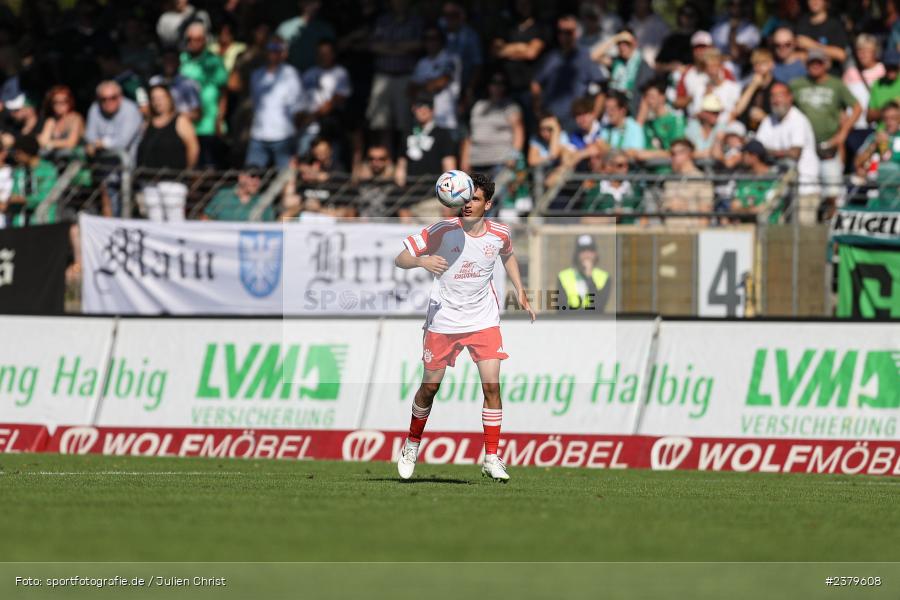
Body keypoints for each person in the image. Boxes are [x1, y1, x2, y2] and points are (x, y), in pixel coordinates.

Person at [393, 172, 535, 482]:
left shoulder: (500, 233)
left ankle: (492, 457)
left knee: (492, 386)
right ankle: (411, 444)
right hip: (443, 321)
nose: (467, 204)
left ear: (488, 204)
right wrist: (422, 262)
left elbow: (508, 254)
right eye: (466, 198)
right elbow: (400, 258)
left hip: (483, 320)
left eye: (474, 199)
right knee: (430, 388)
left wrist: (520, 290)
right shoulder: (442, 230)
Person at [790, 49, 861, 215]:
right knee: (807, 191)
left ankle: (831, 227)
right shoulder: (797, 84)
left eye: (818, 62)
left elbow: (857, 107)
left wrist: (843, 133)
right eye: (811, 63)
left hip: (828, 145)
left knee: (832, 191)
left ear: (825, 64)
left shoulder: (836, 84)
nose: (815, 66)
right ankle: (810, 228)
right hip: (804, 148)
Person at [755, 82, 820, 223]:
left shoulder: (798, 120)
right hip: (780, 189)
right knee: (781, 237)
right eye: (773, 96)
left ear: (790, 98)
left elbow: (795, 153)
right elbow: (757, 148)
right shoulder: (768, 120)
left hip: (804, 188)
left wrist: (769, 152)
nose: (776, 100)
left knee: (804, 235)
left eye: (781, 95)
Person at [136, 85, 199, 222]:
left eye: (161, 97)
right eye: (154, 98)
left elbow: (193, 148)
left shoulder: (181, 121)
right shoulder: (147, 124)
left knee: (175, 221)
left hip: (173, 182)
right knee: (154, 221)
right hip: (150, 182)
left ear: (169, 99)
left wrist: (187, 170)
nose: (158, 102)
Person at [531, 15, 603, 132]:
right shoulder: (551, 57)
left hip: (576, 123)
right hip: (551, 122)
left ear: (576, 33)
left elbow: (602, 88)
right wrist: (538, 111)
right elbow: (535, 83)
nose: (563, 36)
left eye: (568, 32)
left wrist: (594, 116)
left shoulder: (584, 56)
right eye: (560, 32)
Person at [366, 0, 423, 148]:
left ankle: (401, 157)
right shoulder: (382, 21)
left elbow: (418, 44)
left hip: (405, 76)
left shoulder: (415, 21)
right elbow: (373, 45)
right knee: (381, 123)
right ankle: (387, 155)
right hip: (383, 75)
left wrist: (390, 46)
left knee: (403, 121)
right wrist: (401, 47)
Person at [84, 81, 144, 216]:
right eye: (103, 99)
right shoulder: (95, 109)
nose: (108, 102)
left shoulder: (131, 110)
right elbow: (90, 136)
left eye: (113, 98)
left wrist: (101, 144)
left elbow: (123, 141)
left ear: (120, 96)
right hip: (104, 175)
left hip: (129, 174)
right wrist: (96, 144)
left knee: (128, 214)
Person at [246, 36, 303, 169]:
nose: (273, 53)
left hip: (283, 136)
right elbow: (255, 103)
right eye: (270, 49)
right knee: (250, 177)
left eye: (278, 49)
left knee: (285, 179)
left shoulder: (291, 74)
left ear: (284, 53)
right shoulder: (256, 75)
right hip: (258, 135)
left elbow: (298, 108)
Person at [180, 21, 228, 167]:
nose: (193, 42)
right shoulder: (181, 59)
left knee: (209, 165)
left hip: (208, 124)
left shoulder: (214, 61)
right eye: (190, 39)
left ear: (205, 40)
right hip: (186, 123)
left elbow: (223, 92)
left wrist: (219, 119)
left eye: (198, 39)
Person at [461, 72, 523, 174]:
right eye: (494, 83)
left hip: (500, 161)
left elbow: (519, 131)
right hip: (477, 161)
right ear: (488, 85)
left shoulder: (510, 107)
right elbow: (470, 135)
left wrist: (514, 155)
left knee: (497, 190)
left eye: (501, 83)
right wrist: (465, 160)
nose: (497, 87)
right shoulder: (478, 106)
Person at [299, 40, 352, 157]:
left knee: (331, 165)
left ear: (333, 54)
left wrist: (312, 116)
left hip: (330, 129)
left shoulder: (340, 73)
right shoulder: (308, 73)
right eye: (320, 53)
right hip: (307, 129)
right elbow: (300, 100)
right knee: (305, 163)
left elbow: (337, 99)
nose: (322, 57)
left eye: (326, 53)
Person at [394, 94, 457, 187]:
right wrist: (400, 187)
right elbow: (401, 164)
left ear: (433, 110)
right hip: (410, 189)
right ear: (413, 109)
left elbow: (449, 166)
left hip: (433, 191)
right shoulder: (407, 133)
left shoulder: (442, 134)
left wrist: (446, 190)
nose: (423, 109)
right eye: (419, 106)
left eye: (428, 106)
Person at [590, 29, 654, 114]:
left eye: (626, 44)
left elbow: (645, 96)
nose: (622, 47)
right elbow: (594, 56)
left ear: (634, 43)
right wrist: (615, 39)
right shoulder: (616, 62)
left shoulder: (642, 65)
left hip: (633, 111)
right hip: (614, 110)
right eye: (619, 44)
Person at [410, 26, 461, 132]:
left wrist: (422, 87)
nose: (430, 42)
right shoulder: (422, 63)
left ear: (441, 40)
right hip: (425, 122)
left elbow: (439, 83)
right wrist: (427, 86)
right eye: (427, 38)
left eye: (434, 38)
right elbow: (410, 90)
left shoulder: (451, 59)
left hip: (446, 121)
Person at [6, 135, 58, 227]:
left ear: (28, 152)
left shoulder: (48, 170)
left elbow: (46, 196)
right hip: (20, 224)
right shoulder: (19, 172)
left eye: (18, 153)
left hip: (43, 223)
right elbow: (15, 193)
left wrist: (23, 200)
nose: (16, 157)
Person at [661, 138, 714, 226]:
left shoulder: (701, 179)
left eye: (674, 154)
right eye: (671, 154)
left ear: (688, 154)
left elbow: (705, 214)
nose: (671, 158)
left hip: (690, 233)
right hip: (669, 233)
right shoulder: (669, 179)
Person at [556, 234, 611, 312]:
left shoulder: (604, 277)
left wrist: (589, 277)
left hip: (594, 322)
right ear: (577, 254)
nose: (587, 255)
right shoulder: (563, 276)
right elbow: (562, 308)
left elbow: (599, 306)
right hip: (570, 321)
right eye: (582, 251)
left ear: (595, 254)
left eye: (590, 250)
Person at [278, 0, 336, 74]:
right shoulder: (285, 27)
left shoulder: (326, 29)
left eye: (314, 2)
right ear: (300, 3)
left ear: (319, 4)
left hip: (319, 77)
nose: (311, 5)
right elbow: (277, 55)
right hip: (290, 76)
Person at [794, 0, 849, 74]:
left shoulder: (834, 25)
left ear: (825, 2)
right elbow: (795, 54)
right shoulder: (801, 24)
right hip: (806, 77)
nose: (814, 1)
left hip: (830, 77)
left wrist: (811, 45)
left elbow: (841, 55)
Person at [731, 140, 780, 221]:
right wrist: (751, 210)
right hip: (747, 229)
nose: (742, 157)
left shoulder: (773, 179)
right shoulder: (744, 180)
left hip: (769, 229)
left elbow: (765, 208)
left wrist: (744, 209)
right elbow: (734, 206)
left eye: (745, 154)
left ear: (754, 156)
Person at [149, 49, 201, 122]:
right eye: (166, 59)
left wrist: (174, 118)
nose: (169, 63)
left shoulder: (189, 83)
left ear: (178, 62)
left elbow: (197, 114)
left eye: (172, 60)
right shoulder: (154, 81)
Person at [731, 48, 776, 131]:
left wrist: (765, 118)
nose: (758, 67)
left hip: (771, 132)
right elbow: (737, 111)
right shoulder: (748, 87)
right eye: (756, 64)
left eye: (763, 63)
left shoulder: (777, 87)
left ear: (771, 64)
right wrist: (753, 86)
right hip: (748, 132)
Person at [203, 168, 273, 221]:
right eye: (252, 176)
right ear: (241, 177)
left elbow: (271, 226)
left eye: (260, 177)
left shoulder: (264, 200)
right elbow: (205, 218)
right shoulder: (223, 195)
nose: (256, 181)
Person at [710, 0, 761, 70]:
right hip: (719, 70)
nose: (736, 7)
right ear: (727, 6)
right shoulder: (717, 28)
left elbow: (738, 54)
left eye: (740, 4)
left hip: (744, 72)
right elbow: (712, 52)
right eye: (731, 4)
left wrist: (733, 31)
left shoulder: (752, 30)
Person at [598, 90, 645, 159]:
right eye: (606, 109)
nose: (608, 113)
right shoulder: (605, 128)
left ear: (622, 110)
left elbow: (634, 153)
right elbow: (599, 146)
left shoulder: (634, 127)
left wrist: (608, 150)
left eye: (612, 109)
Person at [867, 47, 900, 123]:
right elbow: (869, 116)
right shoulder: (877, 84)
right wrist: (889, 111)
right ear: (884, 66)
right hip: (882, 132)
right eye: (888, 67)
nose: (891, 70)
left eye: (894, 67)